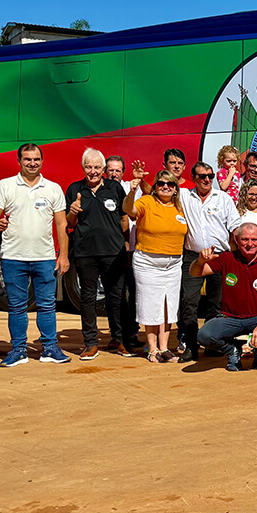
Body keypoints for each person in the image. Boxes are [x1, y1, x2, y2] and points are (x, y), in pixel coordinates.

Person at [0, 143, 70, 367]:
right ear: (19, 161)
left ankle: (50, 348)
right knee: (16, 306)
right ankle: (18, 350)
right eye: (27, 159)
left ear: (42, 161)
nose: (32, 163)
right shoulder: (5, 186)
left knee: (46, 305)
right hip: (14, 257)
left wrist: (63, 256)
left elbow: (61, 223)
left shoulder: (52, 188)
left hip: (44, 257)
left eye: (36, 159)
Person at [192, 223, 257, 371]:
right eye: (245, 239)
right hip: (229, 317)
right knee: (204, 336)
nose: (250, 244)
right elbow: (195, 272)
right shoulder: (227, 258)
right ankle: (232, 350)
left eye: (254, 239)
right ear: (236, 239)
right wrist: (200, 261)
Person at [175, 161, 242, 361]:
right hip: (193, 257)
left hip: (219, 256)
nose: (207, 180)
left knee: (217, 302)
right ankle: (190, 345)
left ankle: (212, 343)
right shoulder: (185, 195)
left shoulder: (223, 199)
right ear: (194, 178)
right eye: (202, 176)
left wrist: (245, 244)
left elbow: (235, 226)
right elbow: (159, 188)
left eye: (210, 176)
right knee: (189, 301)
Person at [65, 148, 128, 361]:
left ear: (103, 169)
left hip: (113, 252)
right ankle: (90, 343)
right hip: (85, 253)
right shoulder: (75, 189)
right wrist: (72, 211)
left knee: (116, 297)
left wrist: (123, 240)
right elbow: (69, 224)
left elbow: (124, 218)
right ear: (83, 168)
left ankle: (118, 340)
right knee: (87, 297)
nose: (93, 171)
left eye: (97, 167)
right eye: (88, 167)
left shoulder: (115, 188)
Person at [124, 170, 188, 363]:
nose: (165, 187)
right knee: (150, 305)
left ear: (176, 188)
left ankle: (164, 347)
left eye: (170, 184)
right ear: (155, 187)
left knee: (169, 306)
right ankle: (152, 349)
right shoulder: (146, 202)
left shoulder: (180, 206)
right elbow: (129, 210)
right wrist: (132, 191)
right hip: (148, 262)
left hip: (174, 263)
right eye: (161, 184)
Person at [104, 154, 141, 354]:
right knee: (114, 296)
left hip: (133, 249)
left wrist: (139, 180)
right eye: (111, 170)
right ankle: (115, 334)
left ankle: (132, 333)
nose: (114, 173)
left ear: (123, 172)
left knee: (134, 294)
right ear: (105, 171)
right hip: (111, 251)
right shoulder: (101, 189)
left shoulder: (131, 187)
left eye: (118, 170)